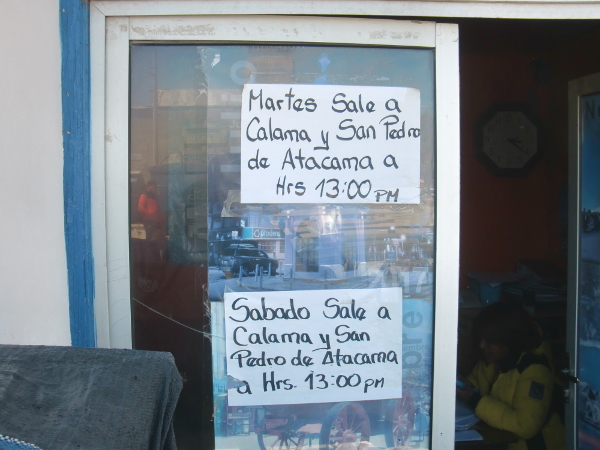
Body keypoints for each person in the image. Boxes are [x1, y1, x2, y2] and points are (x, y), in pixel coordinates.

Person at [456, 301, 564, 450]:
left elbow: (525, 426)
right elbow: (477, 382)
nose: (482, 346)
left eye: (489, 341)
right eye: (481, 339)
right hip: (499, 442)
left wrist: (475, 401)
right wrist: (466, 385)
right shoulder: (492, 360)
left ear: (508, 339)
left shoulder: (535, 369)